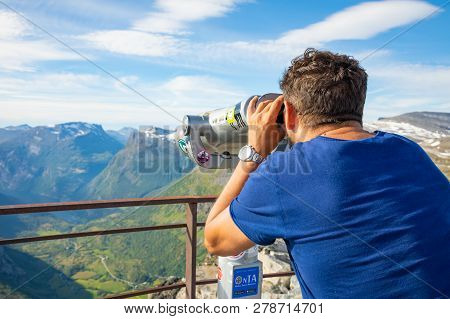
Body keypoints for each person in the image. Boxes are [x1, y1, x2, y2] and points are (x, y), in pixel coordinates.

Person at [204, 48, 450, 298]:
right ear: (357, 107)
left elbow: (215, 241)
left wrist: (254, 153)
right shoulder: (408, 150)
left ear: (289, 114)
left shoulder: (284, 175)